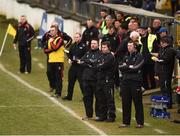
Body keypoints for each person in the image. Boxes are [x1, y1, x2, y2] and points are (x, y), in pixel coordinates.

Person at [119, 41, 144, 128]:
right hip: (125, 81)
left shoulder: (139, 56)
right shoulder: (126, 56)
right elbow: (120, 66)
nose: (129, 47)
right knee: (125, 102)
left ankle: (140, 122)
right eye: (128, 46)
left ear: (135, 47)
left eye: (130, 46)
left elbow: (136, 68)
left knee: (137, 102)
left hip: (135, 82)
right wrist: (129, 66)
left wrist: (127, 66)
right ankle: (126, 122)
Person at [42, 22, 72, 92]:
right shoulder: (47, 34)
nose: (52, 31)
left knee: (58, 75)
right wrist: (47, 47)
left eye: (54, 28)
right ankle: (52, 85)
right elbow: (43, 42)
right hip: (50, 57)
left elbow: (70, 39)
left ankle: (57, 90)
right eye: (51, 29)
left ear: (57, 28)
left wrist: (65, 47)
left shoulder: (61, 35)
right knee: (49, 72)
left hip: (58, 58)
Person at [78, 38, 102, 120]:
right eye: (92, 43)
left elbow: (96, 63)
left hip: (96, 79)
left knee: (98, 98)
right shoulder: (88, 53)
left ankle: (98, 115)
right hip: (86, 79)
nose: (93, 45)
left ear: (98, 44)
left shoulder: (100, 53)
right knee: (87, 98)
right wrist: (89, 63)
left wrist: (88, 62)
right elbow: (81, 61)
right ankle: (88, 114)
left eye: (94, 43)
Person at [151, 36, 176, 109]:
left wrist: (157, 59)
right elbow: (160, 56)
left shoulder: (170, 50)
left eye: (162, 43)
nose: (161, 44)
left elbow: (166, 60)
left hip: (167, 71)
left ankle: (168, 103)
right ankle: (165, 102)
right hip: (161, 71)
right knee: (163, 87)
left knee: (166, 87)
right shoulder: (162, 49)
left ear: (165, 43)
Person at [62, 32, 87, 101]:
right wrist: (69, 59)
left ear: (80, 37)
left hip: (80, 67)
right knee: (70, 82)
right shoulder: (72, 46)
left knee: (81, 83)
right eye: (75, 37)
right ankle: (69, 96)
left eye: (77, 37)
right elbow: (70, 54)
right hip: (73, 66)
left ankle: (85, 96)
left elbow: (86, 56)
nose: (76, 38)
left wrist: (81, 60)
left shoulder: (84, 46)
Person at [95, 41, 116, 122]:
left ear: (109, 48)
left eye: (105, 47)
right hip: (100, 80)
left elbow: (103, 66)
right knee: (101, 98)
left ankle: (111, 116)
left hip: (108, 80)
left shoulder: (110, 57)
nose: (103, 49)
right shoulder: (101, 56)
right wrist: (99, 65)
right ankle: (102, 115)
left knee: (109, 99)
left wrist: (99, 65)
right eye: (102, 47)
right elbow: (96, 64)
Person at [44, 25, 64, 98]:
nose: (51, 32)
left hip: (58, 61)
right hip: (51, 60)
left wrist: (52, 43)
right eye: (50, 30)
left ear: (56, 31)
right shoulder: (49, 40)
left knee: (58, 77)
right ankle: (53, 86)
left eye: (53, 30)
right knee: (49, 73)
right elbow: (45, 50)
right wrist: (51, 49)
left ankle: (58, 93)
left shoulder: (60, 39)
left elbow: (55, 48)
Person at [139, 25, 159, 90]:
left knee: (151, 74)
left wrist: (153, 55)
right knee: (143, 75)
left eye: (143, 30)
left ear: (146, 30)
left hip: (150, 59)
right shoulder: (138, 38)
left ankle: (153, 88)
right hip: (142, 59)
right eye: (140, 30)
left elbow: (155, 48)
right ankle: (146, 88)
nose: (141, 31)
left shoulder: (152, 37)